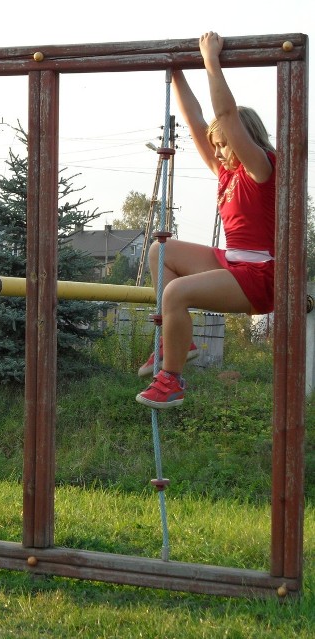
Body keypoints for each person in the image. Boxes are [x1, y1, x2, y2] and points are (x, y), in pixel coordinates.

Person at [136, 32, 276, 409]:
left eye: (223, 143)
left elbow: (226, 116)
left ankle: (172, 380)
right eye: (215, 145)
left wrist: (210, 61)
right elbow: (197, 120)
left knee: (175, 292)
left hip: (261, 276)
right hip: (234, 262)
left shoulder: (259, 168)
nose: (216, 151)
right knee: (160, 252)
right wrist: (176, 69)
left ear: (243, 139)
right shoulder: (226, 170)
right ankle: (179, 341)